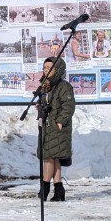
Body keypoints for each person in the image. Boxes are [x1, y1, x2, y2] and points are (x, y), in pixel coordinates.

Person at [37, 57, 73, 203]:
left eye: (49, 67)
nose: (46, 70)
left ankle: (44, 188)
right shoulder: (46, 86)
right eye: (44, 67)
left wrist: (60, 122)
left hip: (57, 127)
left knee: (49, 158)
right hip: (47, 125)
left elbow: (68, 106)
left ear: (57, 69)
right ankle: (59, 190)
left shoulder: (64, 86)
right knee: (54, 157)